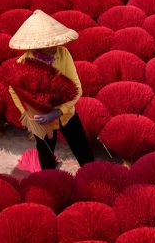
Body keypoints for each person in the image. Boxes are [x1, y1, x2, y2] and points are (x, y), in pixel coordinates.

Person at [7, 10, 94, 170]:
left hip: (66, 113)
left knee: (82, 148)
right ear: (37, 44)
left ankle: (92, 173)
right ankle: (49, 176)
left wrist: (58, 111)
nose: (55, 46)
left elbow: (76, 87)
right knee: (46, 154)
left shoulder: (63, 54)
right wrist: (28, 115)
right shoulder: (23, 63)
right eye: (49, 44)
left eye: (55, 41)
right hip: (41, 119)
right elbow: (14, 91)